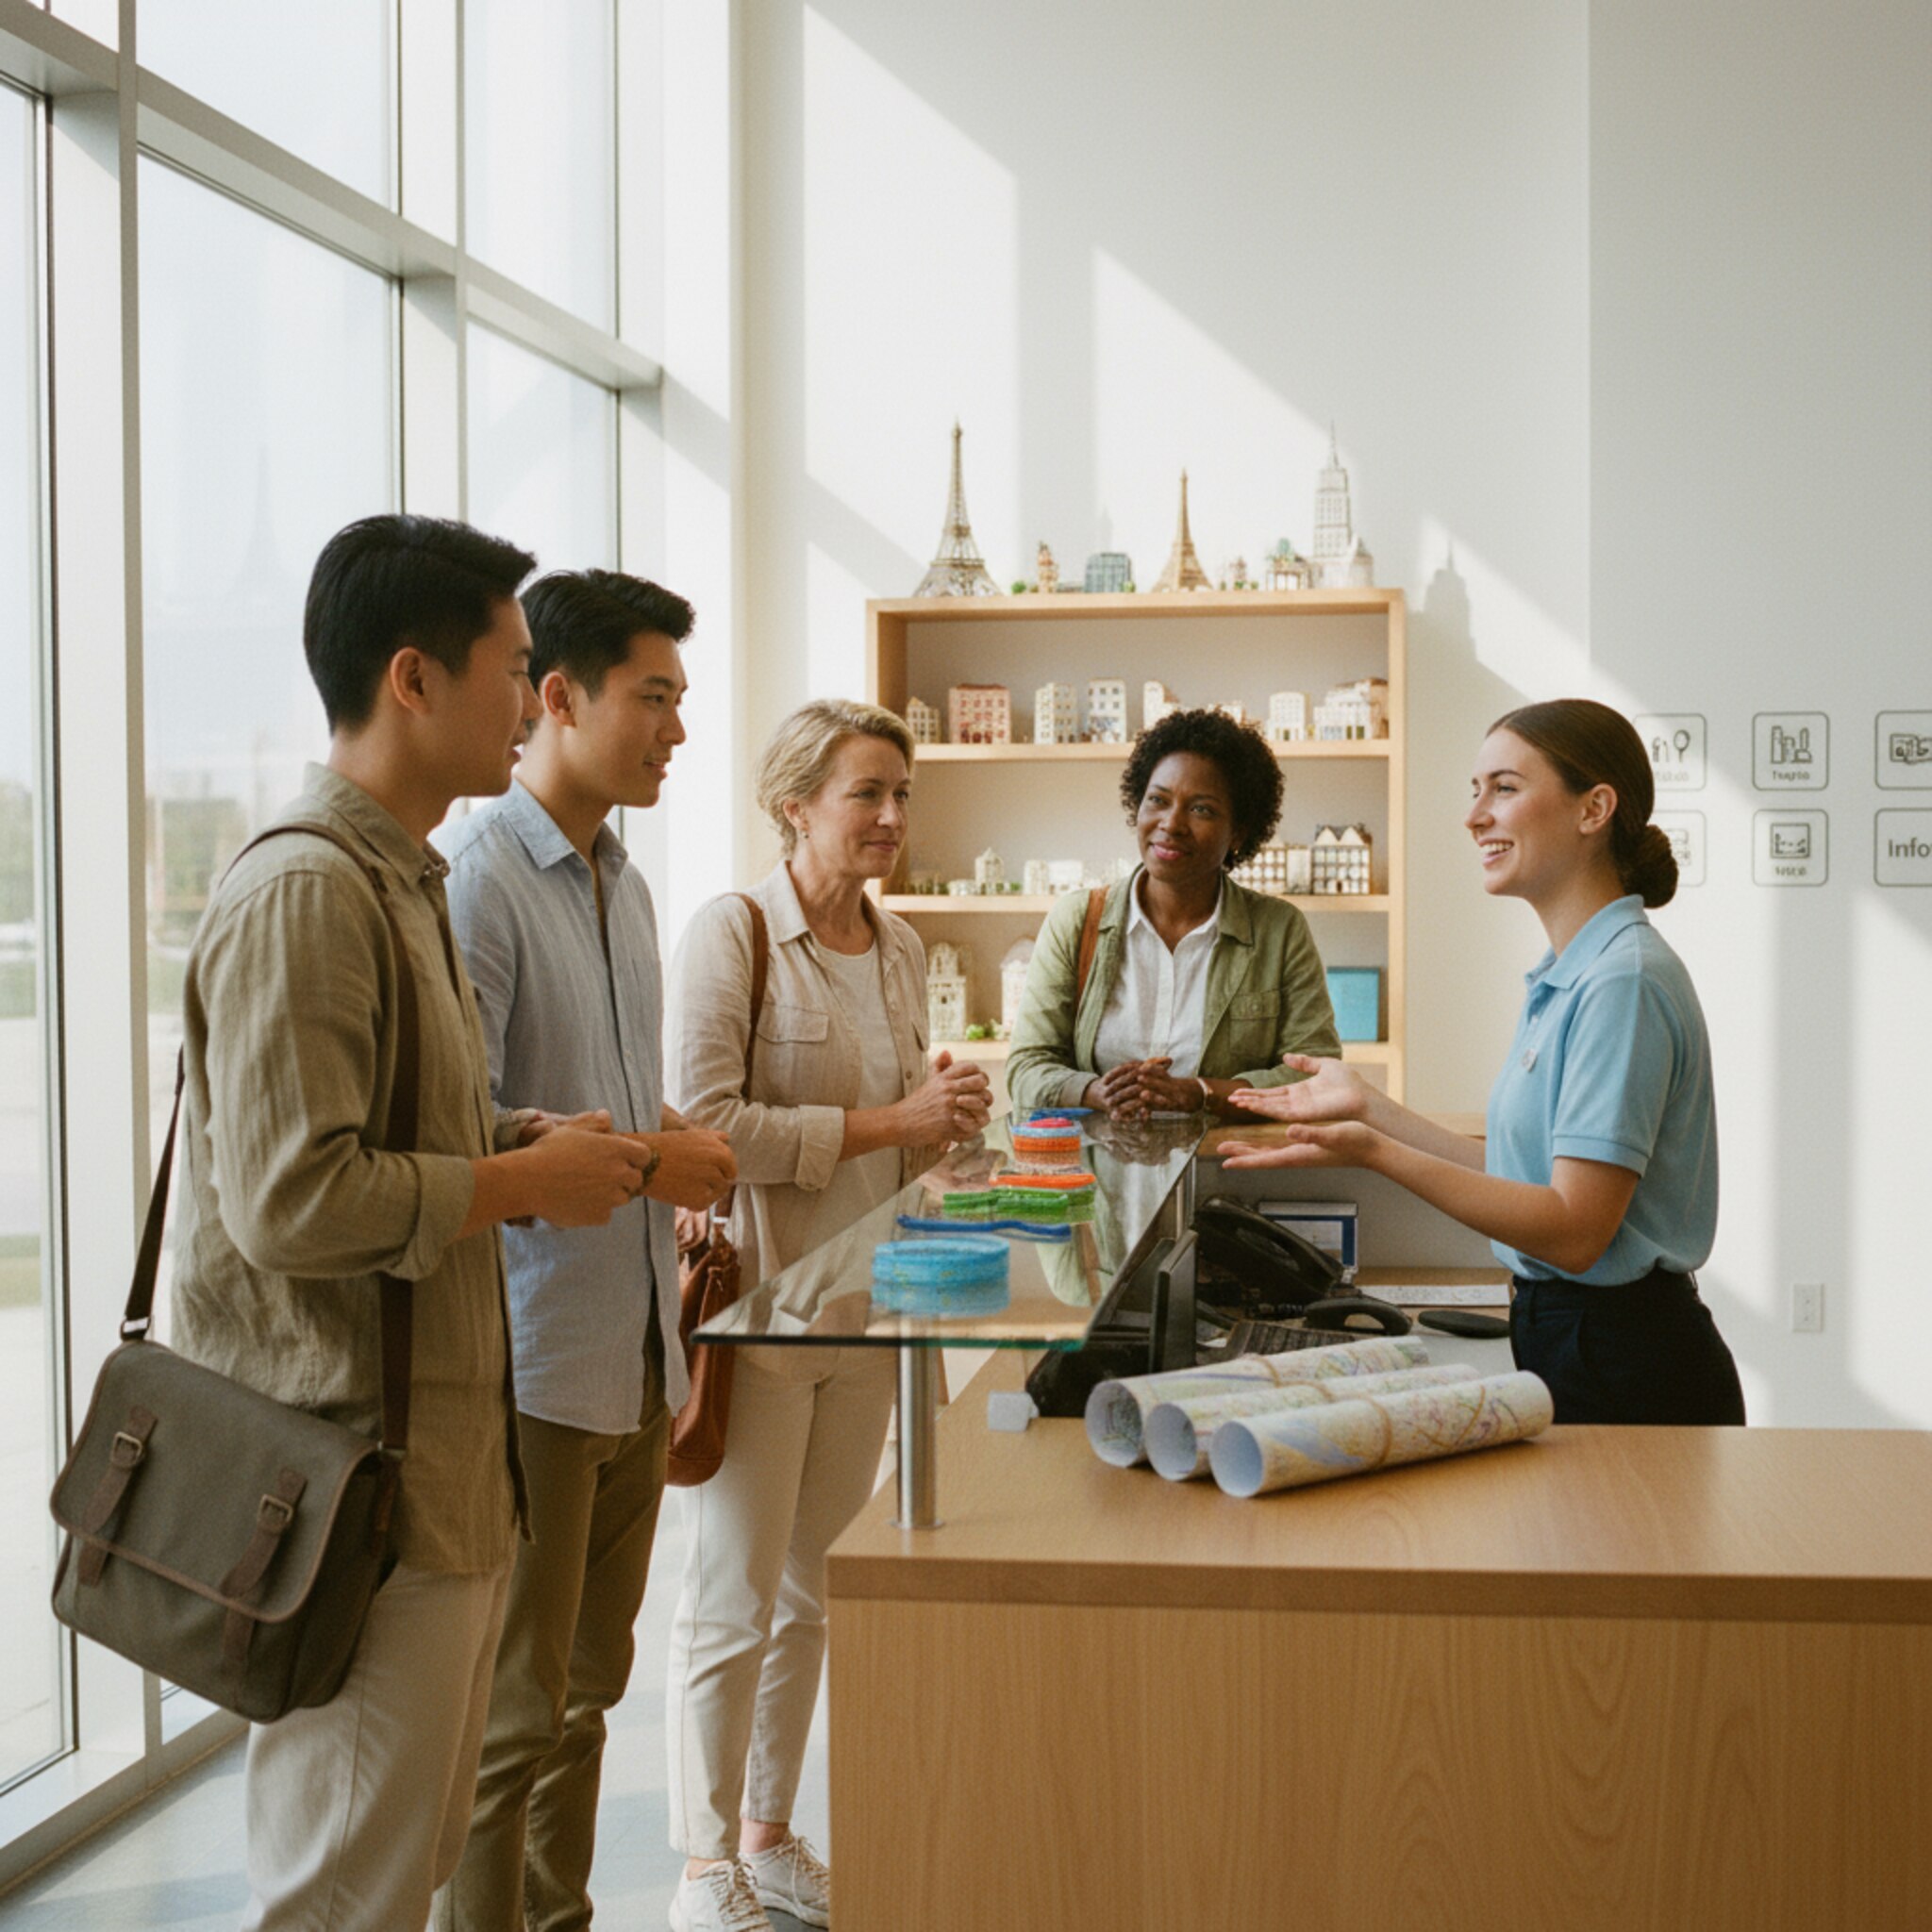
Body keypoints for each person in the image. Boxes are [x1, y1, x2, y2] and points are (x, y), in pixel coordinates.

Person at [171, 514, 657, 1932]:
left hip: (432, 1472)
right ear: (413, 679)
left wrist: (516, 1140)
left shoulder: (404, 874)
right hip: (348, 1484)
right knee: (345, 1888)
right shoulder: (309, 887)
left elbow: (385, 1135)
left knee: (406, 1865)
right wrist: (515, 1186)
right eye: (513, 666)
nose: (531, 698)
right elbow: (291, 1198)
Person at [434, 571, 740, 1931]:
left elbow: (598, 1088)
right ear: (558, 696)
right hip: (534, 1355)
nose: (676, 728)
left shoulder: (622, 882)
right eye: (654, 697)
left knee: (589, 1698)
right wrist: (653, 1158)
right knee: (513, 1716)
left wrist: (670, 1142)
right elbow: (473, 1126)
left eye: (682, 699)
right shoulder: (482, 885)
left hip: (631, 1349)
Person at [663, 699, 991, 1931]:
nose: (894, 817)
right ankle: (704, 1864)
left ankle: (768, 1831)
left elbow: (904, 1131)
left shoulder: (900, 948)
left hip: (868, 1308)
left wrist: (948, 1133)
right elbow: (701, 1131)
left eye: (903, 793)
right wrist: (889, 1125)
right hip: (760, 1309)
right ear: (795, 803)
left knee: (813, 1592)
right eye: (868, 794)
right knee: (732, 1594)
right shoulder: (733, 934)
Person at [1224, 697, 1744, 1425]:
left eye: (1503, 788)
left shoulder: (1622, 980)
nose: (1474, 816)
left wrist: (1373, 1152)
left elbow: (1574, 1229)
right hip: (1574, 1334)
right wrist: (1369, 1107)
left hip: (1626, 1356)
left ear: (1594, 808)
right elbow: (1517, 1175)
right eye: (1476, 791)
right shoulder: (1571, 973)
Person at [1006, 707, 1341, 1120]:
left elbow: (1317, 1073)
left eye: (1201, 809)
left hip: (1227, 1173)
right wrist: (1095, 1092)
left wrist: (1202, 1093)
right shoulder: (1077, 920)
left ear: (1238, 832)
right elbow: (1025, 1068)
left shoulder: (1278, 929)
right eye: (1158, 801)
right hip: (1099, 1177)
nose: (1172, 823)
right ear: (1138, 807)